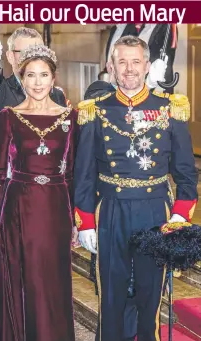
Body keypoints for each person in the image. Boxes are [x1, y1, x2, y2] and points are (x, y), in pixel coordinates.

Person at [74, 35, 198, 341]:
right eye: (122, 62)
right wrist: (86, 221)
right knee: (111, 293)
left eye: (135, 61)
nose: (129, 69)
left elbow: (185, 171)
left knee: (149, 293)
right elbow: (84, 174)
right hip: (111, 211)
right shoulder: (95, 110)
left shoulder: (171, 108)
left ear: (146, 66)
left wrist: (181, 215)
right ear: (111, 67)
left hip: (155, 210)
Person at [0, 44, 77, 341]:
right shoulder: (8, 117)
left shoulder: (70, 118)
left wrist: (76, 220)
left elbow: (72, 173)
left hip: (56, 209)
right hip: (18, 208)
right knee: (24, 280)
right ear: (22, 78)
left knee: (52, 281)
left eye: (44, 75)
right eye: (31, 75)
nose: (37, 82)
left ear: (54, 79)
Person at [0, 27, 68, 230]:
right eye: (25, 53)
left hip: (47, 193)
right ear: (10, 56)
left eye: (37, 52)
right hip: (5, 194)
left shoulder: (56, 95)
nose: (33, 58)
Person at [100, 24, 178, 93]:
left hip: (154, 94)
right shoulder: (120, 28)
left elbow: (164, 67)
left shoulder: (166, 27)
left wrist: (150, 83)